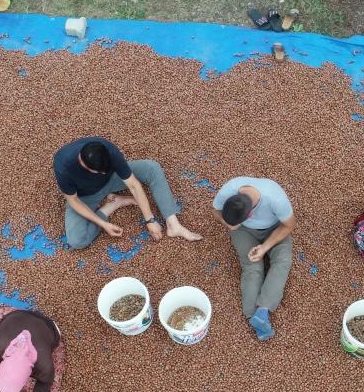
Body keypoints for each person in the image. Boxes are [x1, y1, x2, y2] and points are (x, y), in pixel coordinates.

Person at [54, 137, 201, 249]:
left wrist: (150, 220)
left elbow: (133, 184)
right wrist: (103, 223)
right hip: (86, 195)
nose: (102, 172)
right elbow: (73, 200)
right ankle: (114, 204)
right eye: (99, 171)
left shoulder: (106, 148)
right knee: (76, 241)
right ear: (84, 164)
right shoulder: (64, 167)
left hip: (112, 179)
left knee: (152, 168)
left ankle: (173, 224)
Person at [212, 177, 296, 340]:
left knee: (281, 261)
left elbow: (289, 225)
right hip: (243, 230)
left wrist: (265, 247)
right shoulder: (228, 190)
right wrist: (229, 224)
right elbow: (215, 210)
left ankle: (261, 312)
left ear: (250, 214)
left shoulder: (275, 198)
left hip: (275, 228)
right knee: (252, 265)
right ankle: (256, 315)